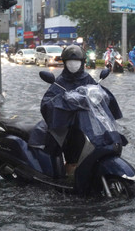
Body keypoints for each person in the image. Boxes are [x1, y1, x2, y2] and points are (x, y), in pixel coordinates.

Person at [40, 45, 123, 176]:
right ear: (65, 63)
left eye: (77, 61)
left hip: (89, 123)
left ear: (83, 62)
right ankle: (65, 175)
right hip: (68, 127)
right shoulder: (59, 82)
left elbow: (99, 94)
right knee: (66, 149)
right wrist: (65, 103)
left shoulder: (88, 79)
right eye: (69, 62)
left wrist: (103, 97)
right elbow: (47, 104)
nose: (73, 64)